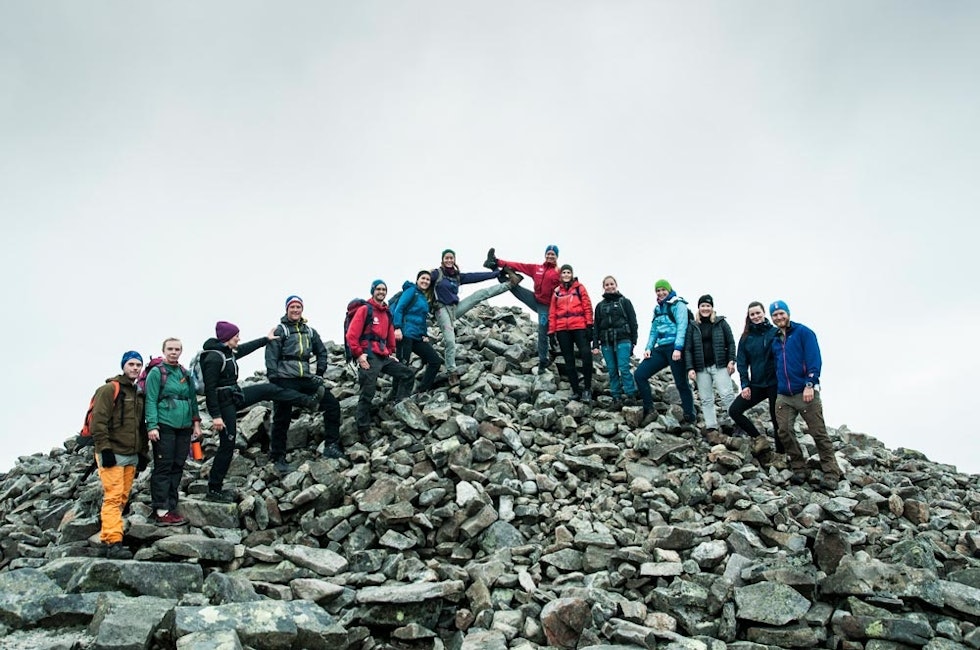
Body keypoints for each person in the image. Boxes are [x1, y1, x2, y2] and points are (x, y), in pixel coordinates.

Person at [200, 321, 325, 502]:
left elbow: (244, 349)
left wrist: (265, 340)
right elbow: (210, 389)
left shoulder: (227, 352)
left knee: (269, 389)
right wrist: (216, 416)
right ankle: (214, 489)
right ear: (228, 338)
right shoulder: (213, 358)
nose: (239, 338)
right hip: (223, 405)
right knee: (227, 445)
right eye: (236, 336)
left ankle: (308, 402)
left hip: (234, 397)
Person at [265, 295, 345, 473]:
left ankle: (331, 446)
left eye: (298, 307)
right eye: (292, 307)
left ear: (302, 309)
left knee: (331, 404)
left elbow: (321, 351)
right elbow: (271, 355)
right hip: (285, 379)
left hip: (306, 379)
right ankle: (278, 457)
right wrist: (274, 379)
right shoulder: (281, 330)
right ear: (287, 309)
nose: (295, 310)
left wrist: (320, 373)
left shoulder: (309, 331)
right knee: (281, 417)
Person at [769, 300, 843, 490]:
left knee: (818, 432)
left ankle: (831, 472)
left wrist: (810, 383)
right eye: (775, 315)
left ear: (788, 313)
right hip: (784, 394)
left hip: (805, 391)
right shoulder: (775, 339)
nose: (779, 317)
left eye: (781, 313)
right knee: (784, 430)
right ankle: (799, 467)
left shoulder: (804, 333)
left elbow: (814, 359)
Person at [90, 350, 148, 558]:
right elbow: (98, 422)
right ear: (123, 366)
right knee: (113, 498)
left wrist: (143, 453)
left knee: (122, 497)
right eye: (131, 364)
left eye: (138, 365)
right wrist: (104, 449)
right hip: (112, 452)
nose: (135, 368)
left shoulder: (139, 393)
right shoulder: (109, 389)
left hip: (131, 454)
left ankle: (109, 537)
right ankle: (114, 542)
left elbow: (142, 426)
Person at [431, 249, 516, 388]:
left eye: (451, 258)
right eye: (446, 258)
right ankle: (451, 372)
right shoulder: (436, 274)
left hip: (454, 309)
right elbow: (422, 282)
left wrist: (496, 274)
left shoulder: (457, 276)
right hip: (441, 310)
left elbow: (476, 276)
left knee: (479, 294)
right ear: (442, 260)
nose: (449, 260)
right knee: (450, 340)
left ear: (454, 259)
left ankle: (510, 284)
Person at [347, 280, 416, 434]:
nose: (381, 292)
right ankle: (363, 428)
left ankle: (399, 405)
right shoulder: (365, 309)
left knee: (407, 374)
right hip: (368, 355)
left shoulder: (386, 312)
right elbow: (351, 334)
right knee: (368, 391)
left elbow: (390, 334)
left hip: (383, 355)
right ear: (373, 291)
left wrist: (391, 353)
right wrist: (359, 355)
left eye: (384, 289)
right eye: (378, 289)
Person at [146, 338, 201, 526]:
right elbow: (151, 399)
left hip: (184, 427)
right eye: (170, 349)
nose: (173, 352)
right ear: (163, 350)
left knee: (178, 465)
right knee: (164, 465)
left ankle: (171, 505)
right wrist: (152, 426)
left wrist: (196, 423)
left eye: (177, 349)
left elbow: (192, 399)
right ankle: (161, 510)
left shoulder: (184, 372)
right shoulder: (157, 372)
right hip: (165, 425)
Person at [484, 245, 561, 371]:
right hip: (535, 299)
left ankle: (543, 361)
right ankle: (493, 266)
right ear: (545, 254)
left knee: (542, 330)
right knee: (513, 286)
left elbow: (567, 288)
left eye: (553, 254)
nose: (550, 256)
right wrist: (498, 262)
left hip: (547, 307)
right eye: (548, 253)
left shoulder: (558, 272)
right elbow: (518, 265)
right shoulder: (537, 268)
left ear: (556, 256)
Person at [633, 279, 697, 427]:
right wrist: (648, 348)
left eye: (663, 290)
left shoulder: (678, 305)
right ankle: (649, 409)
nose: (661, 293)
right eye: (658, 290)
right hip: (660, 349)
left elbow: (682, 326)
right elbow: (654, 330)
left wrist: (678, 348)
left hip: (675, 348)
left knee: (681, 383)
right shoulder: (657, 309)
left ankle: (690, 415)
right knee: (640, 374)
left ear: (669, 290)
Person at [728, 301, 782, 462]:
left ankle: (780, 454)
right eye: (752, 314)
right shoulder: (746, 338)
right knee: (734, 411)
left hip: (775, 383)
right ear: (749, 317)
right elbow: (743, 363)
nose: (756, 316)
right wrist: (745, 385)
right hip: (756, 384)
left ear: (764, 313)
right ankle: (759, 439)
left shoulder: (775, 332)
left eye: (758, 313)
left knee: (776, 418)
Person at [685, 295, 736, 442]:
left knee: (727, 395)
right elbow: (688, 349)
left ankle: (736, 422)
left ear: (712, 307)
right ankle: (711, 427)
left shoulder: (721, 323)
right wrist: (690, 368)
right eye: (703, 306)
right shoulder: (693, 326)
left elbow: (731, 343)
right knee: (706, 399)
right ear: (699, 308)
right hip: (701, 368)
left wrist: (731, 360)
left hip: (719, 365)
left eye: (708, 306)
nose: (705, 308)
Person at [391, 270, 442, 394]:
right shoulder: (411, 291)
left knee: (435, 360)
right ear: (417, 280)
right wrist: (397, 327)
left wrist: (424, 334)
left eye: (427, 280)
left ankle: (422, 391)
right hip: (405, 334)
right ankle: (396, 397)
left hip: (417, 336)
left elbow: (422, 318)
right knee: (402, 366)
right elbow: (399, 308)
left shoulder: (423, 297)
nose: (425, 281)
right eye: (423, 278)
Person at [548, 264, 595, 401]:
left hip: (579, 327)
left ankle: (587, 389)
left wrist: (589, 325)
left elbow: (587, 306)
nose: (566, 275)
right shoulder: (557, 292)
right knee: (569, 360)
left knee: (586, 354)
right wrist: (551, 332)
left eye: (568, 272)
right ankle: (576, 391)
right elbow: (552, 312)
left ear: (572, 274)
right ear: (561, 275)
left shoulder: (580, 288)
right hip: (562, 329)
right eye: (564, 272)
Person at [591, 275, 639, 408]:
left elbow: (633, 322)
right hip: (606, 342)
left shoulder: (625, 302)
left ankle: (630, 395)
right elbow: (596, 326)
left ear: (616, 285)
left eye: (612, 284)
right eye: (607, 285)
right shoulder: (600, 306)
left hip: (623, 339)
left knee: (623, 367)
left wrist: (634, 341)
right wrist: (595, 344)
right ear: (603, 287)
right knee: (612, 370)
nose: (610, 286)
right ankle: (616, 398)